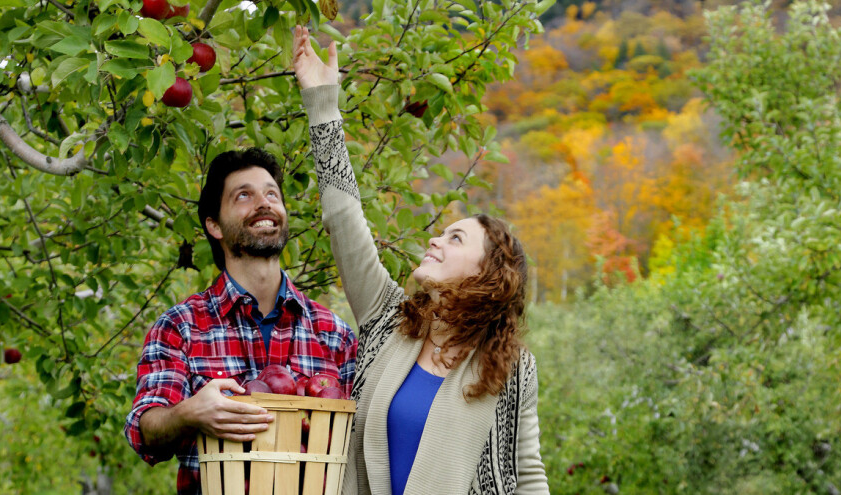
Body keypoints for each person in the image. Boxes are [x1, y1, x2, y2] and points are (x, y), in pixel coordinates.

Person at [293, 26, 549, 495]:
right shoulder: (387, 320)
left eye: (455, 238)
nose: (435, 240)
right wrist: (323, 106)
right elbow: (345, 217)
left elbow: (526, 473)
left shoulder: (512, 368)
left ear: (487, 274)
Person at [124, 148, 358, 495]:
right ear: (214, 225)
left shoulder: (333, 334)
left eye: (271, 194)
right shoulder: (181, 327)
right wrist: (190, 413)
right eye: (243, 195)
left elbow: (360, 446)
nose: (263, 204)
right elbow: (145, 433)